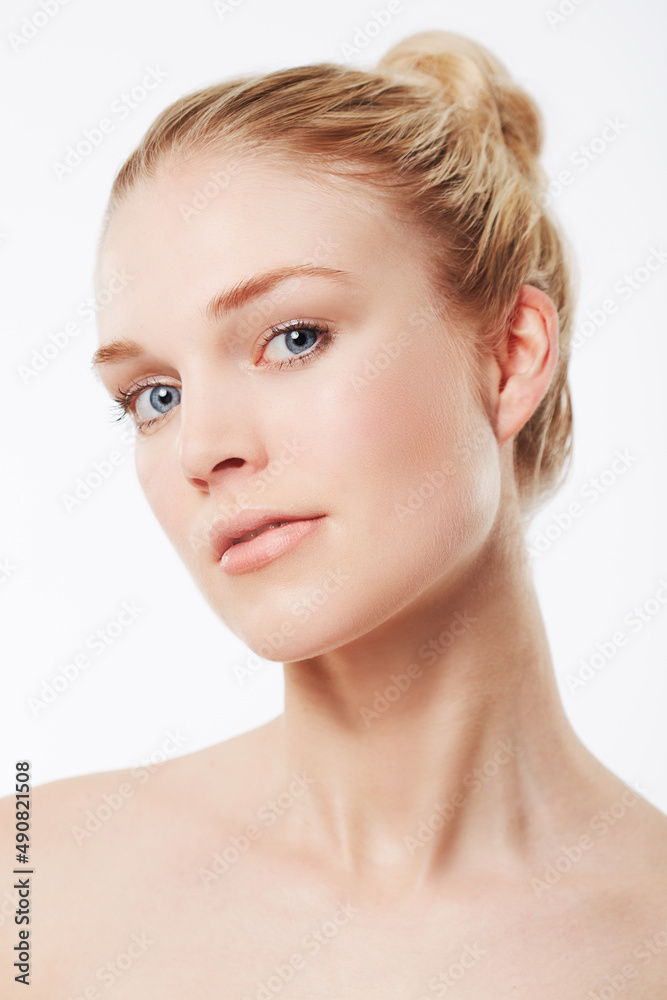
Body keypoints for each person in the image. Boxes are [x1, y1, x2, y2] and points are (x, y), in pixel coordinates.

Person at [3, 28, 667, 997]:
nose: (200, 447)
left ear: (511, 354)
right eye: (154, 394)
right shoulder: (30, 881)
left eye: (293, 336)